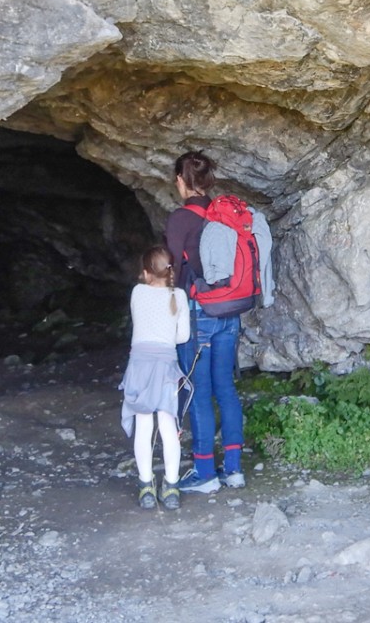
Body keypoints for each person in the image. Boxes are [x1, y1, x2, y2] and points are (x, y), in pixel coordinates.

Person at [165, 150, 245, 494]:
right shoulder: (223, 214)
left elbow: (172, 272)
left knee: (199, 393)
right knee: (226, 389)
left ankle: (204, 473)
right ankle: (234, 470)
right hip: (230, 312)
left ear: (181, 182)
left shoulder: (180, 219)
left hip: (199, 316)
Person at [119, 245, 190, 510]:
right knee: (168, 425)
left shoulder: (138, 292)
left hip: (140, 365)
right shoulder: (179, 296)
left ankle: (146, 486)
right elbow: (182, 337)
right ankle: (171, 488)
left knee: (144, 426)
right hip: (165, 366)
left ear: (147, 273)